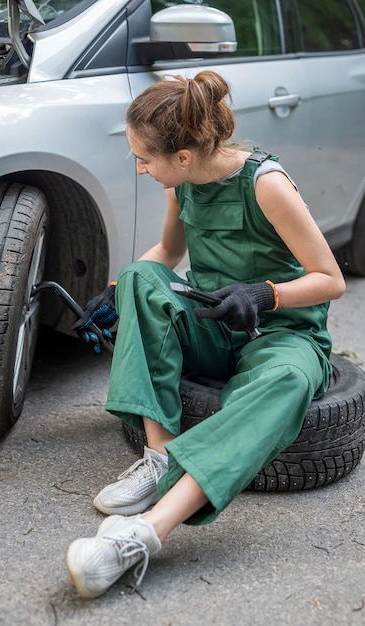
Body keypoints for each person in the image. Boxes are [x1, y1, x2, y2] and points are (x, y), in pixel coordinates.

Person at [66, 70, 346, 598]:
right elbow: (168, 255)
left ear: (185, 155)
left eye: (144, 158)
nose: (140, 167)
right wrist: (115, 290)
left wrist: (265, 293)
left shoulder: (266, 184)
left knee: (288, 381)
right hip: (212, 320)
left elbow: (330, 280)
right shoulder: (183, 184)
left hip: (282, 333)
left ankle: (142, 536)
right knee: (137, 277)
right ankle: (159, 456)